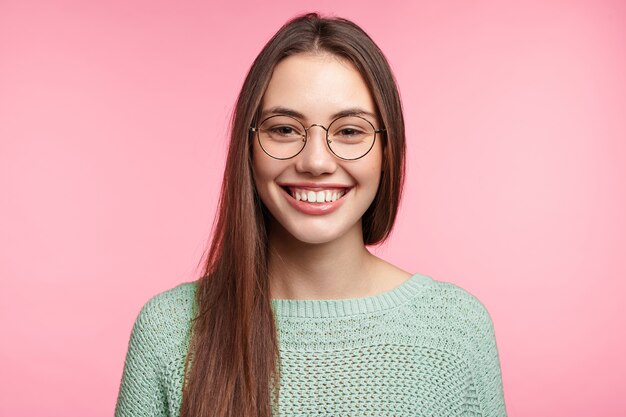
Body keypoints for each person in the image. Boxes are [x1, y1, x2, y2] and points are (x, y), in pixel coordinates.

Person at [114, 12, 507, 417]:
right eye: (284, 129)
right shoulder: (169, 331)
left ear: (388, 152)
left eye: (350, 131)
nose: (316, 161)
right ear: (247, 150)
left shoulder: (457, 330)